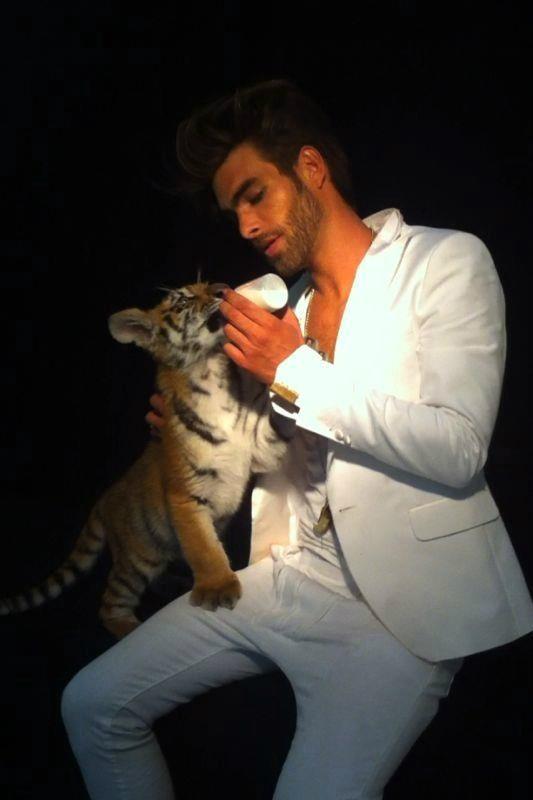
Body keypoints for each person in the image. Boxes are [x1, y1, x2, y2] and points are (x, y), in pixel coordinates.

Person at [61, 79, 533, 800]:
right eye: (233, 212)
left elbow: (459, 448)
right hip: (289, 579)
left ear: (310, 167)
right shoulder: (281, 307)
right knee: (92, 706)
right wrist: (193, 433)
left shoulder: (445, 262)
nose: (246, 226)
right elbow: (279, 455)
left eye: (255, 195)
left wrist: (292, 369)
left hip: (398, 621)